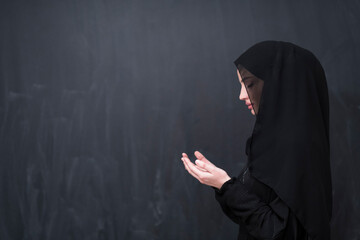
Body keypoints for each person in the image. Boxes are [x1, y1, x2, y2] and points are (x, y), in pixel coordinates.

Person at [180, 40, 332, 240]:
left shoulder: (297, 149)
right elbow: (252, 220)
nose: (242, 95)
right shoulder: (272, 143)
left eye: (250, 84)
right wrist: (220, 184)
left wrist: (226, 185)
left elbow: (279, 233)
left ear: (281, 85)